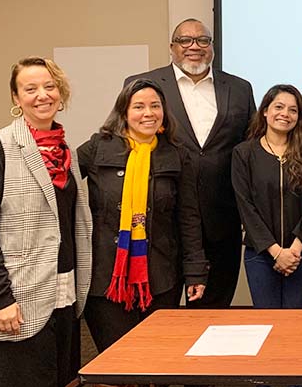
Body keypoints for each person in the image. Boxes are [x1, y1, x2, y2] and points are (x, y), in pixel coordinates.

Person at [0, 57, 92, 387]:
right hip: (14, 301)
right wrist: (0, 298)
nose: (42, 95)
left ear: (60, 93)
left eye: (49, 86)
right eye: (30, 88)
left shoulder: (67, 152)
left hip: (62, 296)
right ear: (16, 98)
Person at [126, 18, 255, 308]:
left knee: (214, 309)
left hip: (222, 218)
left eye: (202, 40)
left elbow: (250, 151)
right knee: (161, 311)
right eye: (185, 40)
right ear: (172, 47)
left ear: (212, 47)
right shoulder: (143, 86)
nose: (194, 47)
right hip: (162, 220)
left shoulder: (240, 89)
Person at [78, 79, 207, 352]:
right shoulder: (97, 148)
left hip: (160, 277)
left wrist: (195, 271)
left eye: (155, 106)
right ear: (124, 112)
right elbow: (58, 186)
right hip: (107, 277)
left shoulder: (176, 155)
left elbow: (189, 218)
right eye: (138, 106)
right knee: (117, 360)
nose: (148, 113)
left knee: (156, 356)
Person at [232, 85, 302, 309]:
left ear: (299, 117)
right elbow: (246, 207)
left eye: (293, 110)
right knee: (267, 322)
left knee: (295, 324)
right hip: (261, 254)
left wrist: (294, 250)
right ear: (265, 110)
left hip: (301, 253)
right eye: (279, 107)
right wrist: (275, 252)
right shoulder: (244, 153)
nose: (285, 114)